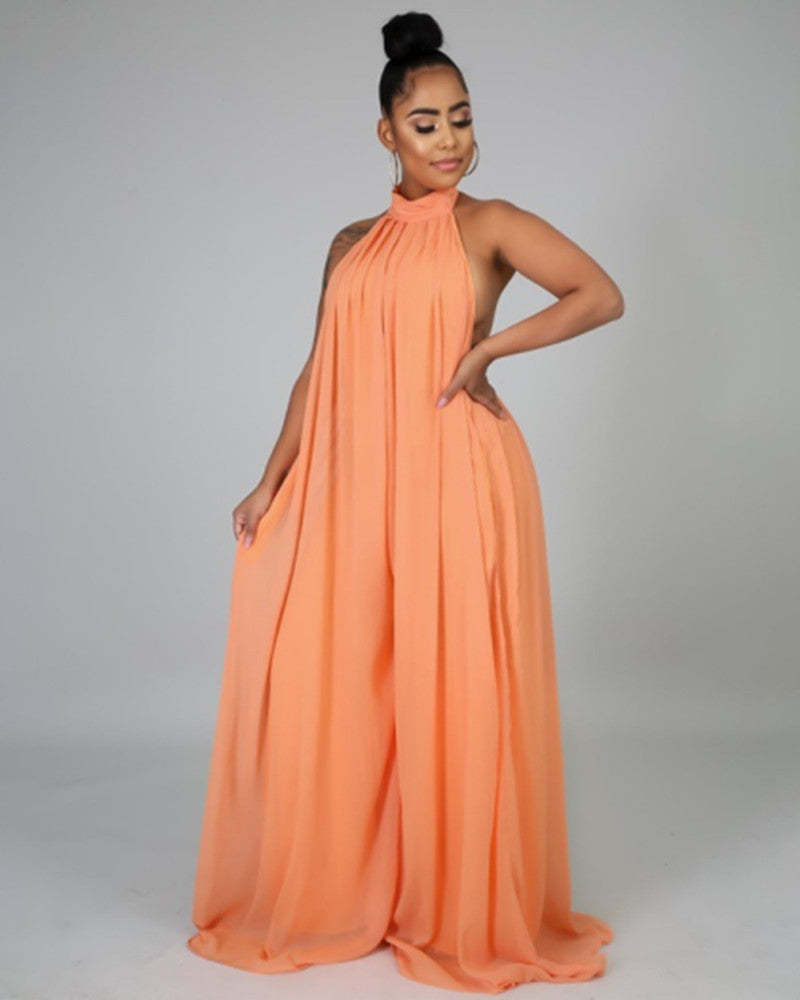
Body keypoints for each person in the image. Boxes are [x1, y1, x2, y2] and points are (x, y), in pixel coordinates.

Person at [187, 10, 623, 994]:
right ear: (386, 132)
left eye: (462, 117)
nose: (450, 139)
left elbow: (598, 294)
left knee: (457, 676)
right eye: (426, 123)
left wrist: (486, 349)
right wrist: (271, 477)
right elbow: (320, 370)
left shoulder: (490, 223)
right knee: (360, 674)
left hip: (459, 472)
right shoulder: (350, 242)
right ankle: (367, 882)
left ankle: (459, 900)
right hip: (361, 481)